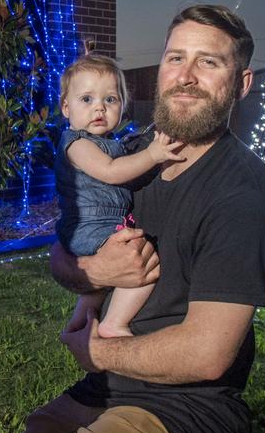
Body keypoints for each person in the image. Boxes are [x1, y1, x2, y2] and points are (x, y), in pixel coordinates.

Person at [14, 5, 265, 433]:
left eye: (208, 62)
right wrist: (96, 271)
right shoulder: (128, 155)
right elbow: (63, 249)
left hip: (185, 409)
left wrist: (97, 350)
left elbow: (206, 356)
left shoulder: (242, 192)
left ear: (241, 84)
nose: (186, 75)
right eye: (175, 58)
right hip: (107, 388)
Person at [54, 52, 184, 339]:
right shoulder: (77, 144)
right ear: (66, 107)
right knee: (138, 263)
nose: (99, 108)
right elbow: (112, 172)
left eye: (110, 100)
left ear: (122, 106)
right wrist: (153, 155)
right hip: (89, 226)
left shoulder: (110, 143)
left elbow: (126, 171)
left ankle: (79, 323)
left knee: (100, 285)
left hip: (101, 224)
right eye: (86, 99)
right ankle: (115, 322)